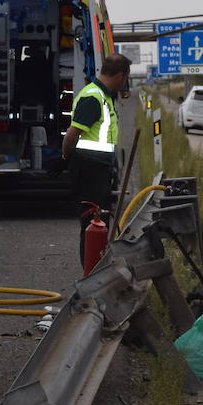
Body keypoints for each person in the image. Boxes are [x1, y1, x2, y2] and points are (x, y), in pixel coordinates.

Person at [63, 53, 131, 256]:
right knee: (92, 225)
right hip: (89, 170)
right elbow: (72, 134)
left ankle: (98, 268)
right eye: (125, 79)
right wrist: (66, 159)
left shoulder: (103, 96)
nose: (124, 84)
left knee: (100, 224)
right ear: (120, 76)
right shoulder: (93, 97)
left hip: (99, 169)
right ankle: (91, 274)